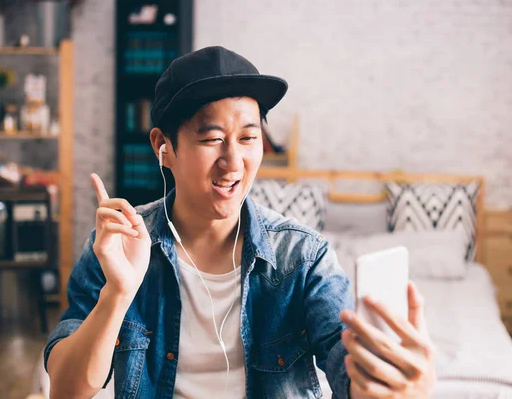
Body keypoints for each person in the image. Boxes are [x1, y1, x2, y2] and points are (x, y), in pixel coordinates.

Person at [44, 46, 436, 398]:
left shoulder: (301, 256)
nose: (233, 162)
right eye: (212, 138)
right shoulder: (117, 247)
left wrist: (394, 383)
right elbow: (65, 390)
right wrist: (118, 293)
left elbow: (347, 365)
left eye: (249, 138)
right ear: (163, 147)